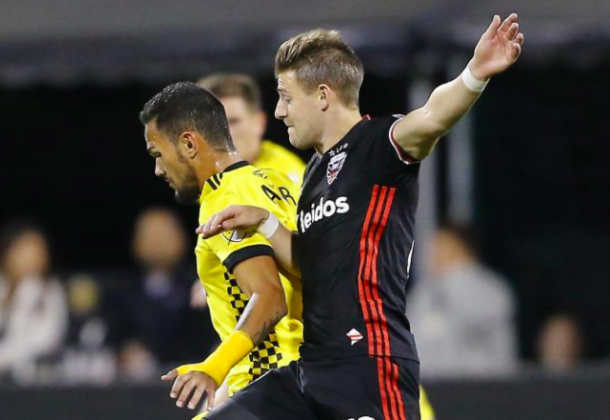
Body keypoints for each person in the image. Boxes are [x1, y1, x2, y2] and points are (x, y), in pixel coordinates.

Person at [199, 14, 524, 419]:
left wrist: (474, 74)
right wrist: (264, 222)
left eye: (286, 96)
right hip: (311, 368)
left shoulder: (379, 146)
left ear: (322, 95)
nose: (280, 112)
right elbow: (312, 263)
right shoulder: (314, 173)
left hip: (369, 366)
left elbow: (432, 117)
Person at [139, 83, 304, 412]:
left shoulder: (225, 198)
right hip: (302, 376)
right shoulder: (277, 183)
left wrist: (214, 367)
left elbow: (270, 298)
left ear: (188, 143)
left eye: (158, 155)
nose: (158, 170)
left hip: (271, 385)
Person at [105, 208, 215, 379]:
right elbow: (110, 342)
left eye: (164, 234)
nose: (156, 242)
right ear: (135, 243)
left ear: (183, 239)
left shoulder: (205, 286)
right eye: (149, 235)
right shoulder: (120, 295)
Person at [408, 224, 517, 378]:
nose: (432, 253)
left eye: (441, 246)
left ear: (460, 248)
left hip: (480, 388)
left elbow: (475, 319)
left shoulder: (489, 288)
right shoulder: (424, 294)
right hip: (432, 387)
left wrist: (454, 277)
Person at [197, 73, 305, 185]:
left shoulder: (278, 180)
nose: (222, 134)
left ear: (259, 122)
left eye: (234, 122)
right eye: (211, 124)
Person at [0, 223, 68, 382]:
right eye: (23, 252)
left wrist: (26, 295)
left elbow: (46, 341)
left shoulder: (50, 292)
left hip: (33, 380)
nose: (30, 259)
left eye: (37, 252)